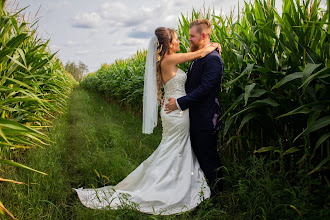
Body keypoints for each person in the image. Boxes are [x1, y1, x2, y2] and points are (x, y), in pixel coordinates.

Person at [74, 27, 220, 215]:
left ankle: (174, 181)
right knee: (173, 148)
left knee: (173, 148)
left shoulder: (168, 60)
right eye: (176, 39)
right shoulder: (170, 59)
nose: (180, 41)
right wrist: (214, 45)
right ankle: (168, 185)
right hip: (176, 112)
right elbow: (200, 53)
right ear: (168, 44)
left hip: (176, 110)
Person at [165, 19, 224, 196]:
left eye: (192, 36)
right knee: (200, 157)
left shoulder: (213, 59)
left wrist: (178, 103)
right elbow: (189, 86)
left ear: (203, 36)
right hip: (194, 117)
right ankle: (201, 193)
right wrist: (169, 97)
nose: (188, 39)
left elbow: (205, 89)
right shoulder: (198, 56)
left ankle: (218, 195)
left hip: (206, 119)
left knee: (208, 158)